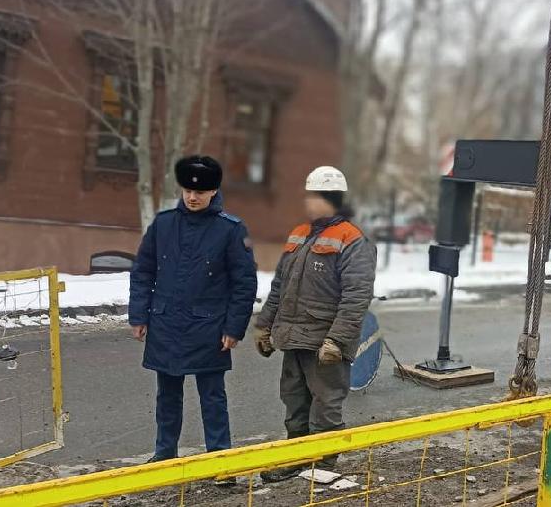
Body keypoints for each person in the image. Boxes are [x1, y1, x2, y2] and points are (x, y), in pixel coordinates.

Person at [128, 155, 258, 467]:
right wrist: (139, 315)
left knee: (213, 398)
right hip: (166, 324)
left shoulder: (230, 230)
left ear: (214, 191)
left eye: (200, 192)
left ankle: (220, 459)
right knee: (167, 397)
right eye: (188, 190)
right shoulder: (163, 224)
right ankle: (164, 455)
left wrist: (233, 329)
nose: (192, 196)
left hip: (209, 330)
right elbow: (143, 271)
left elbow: (244, 284)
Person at [253, 166, 376, 482]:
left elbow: (356, 297)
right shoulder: (300, 233)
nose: (307, 202)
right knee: (294, 399)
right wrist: (264, 324)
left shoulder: (353, 240)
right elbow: (280, 285)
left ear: (331, 198)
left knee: (325, 402)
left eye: (313, 196)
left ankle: (322, 463)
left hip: (324, 342)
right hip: (293, 337)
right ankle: (297, 455)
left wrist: (336, 340)